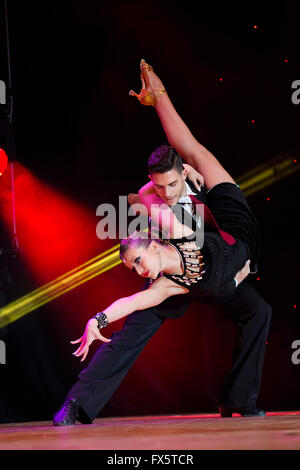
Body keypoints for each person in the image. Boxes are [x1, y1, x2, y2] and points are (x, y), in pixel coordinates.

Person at [53, 61, 271, 426]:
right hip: (185, 268)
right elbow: (137, 285)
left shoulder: (207, 181)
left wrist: (157, 97)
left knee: (258, 311)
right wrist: (98, 319)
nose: (167, 194)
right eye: (159, 187)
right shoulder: (154, 205)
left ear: (185, 173)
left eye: (173, 185)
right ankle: (77, 404)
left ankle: (238, 400)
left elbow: (184, 142)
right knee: (139, 320)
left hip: (225, 249)